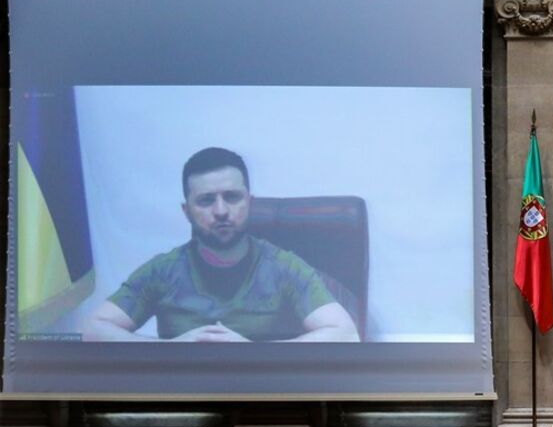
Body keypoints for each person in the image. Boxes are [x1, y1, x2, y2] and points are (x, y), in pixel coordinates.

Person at [83, 146, 359, 344]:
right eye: (206, 200)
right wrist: (173, 348)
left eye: (232, 197)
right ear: (187, 211)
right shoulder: (162, 270)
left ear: (249, 202)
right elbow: (94, 330)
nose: (221, 211)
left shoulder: (284, 267)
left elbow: (346, 334)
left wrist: (252, 353)